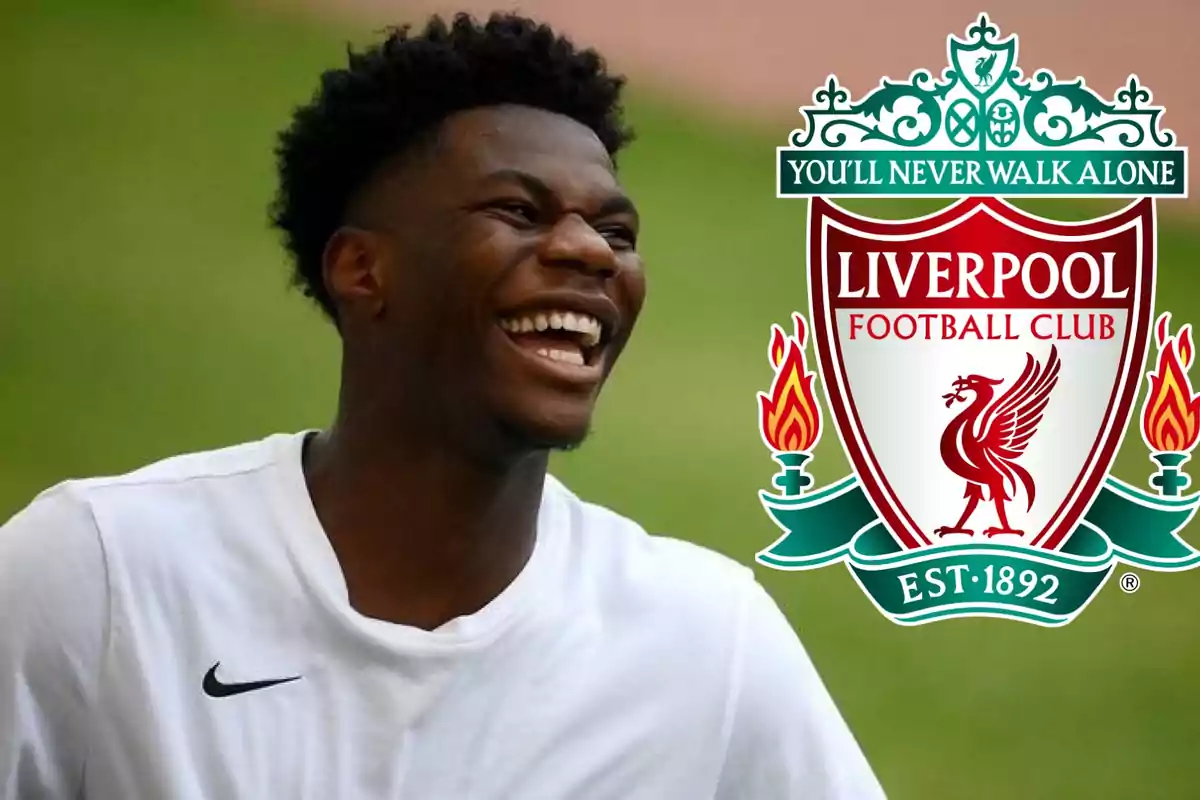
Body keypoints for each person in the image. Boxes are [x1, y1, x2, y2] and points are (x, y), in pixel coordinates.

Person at [0, 12, 885, 799]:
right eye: (517, 209)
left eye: (616, 231)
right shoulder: (105, 575)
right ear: (362, 270)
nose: (588, 251)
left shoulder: (705, 643)